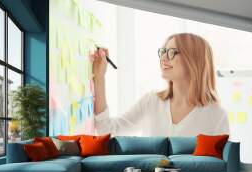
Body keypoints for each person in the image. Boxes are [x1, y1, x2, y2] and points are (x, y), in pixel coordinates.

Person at [89, 33, 229, 137]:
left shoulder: (216, 116)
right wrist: (100, 76)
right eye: (163, 52)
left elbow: (220, 169)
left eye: (171, 52)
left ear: (194, 60)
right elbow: (106, 131)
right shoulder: (151, 101)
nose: (163, 58)